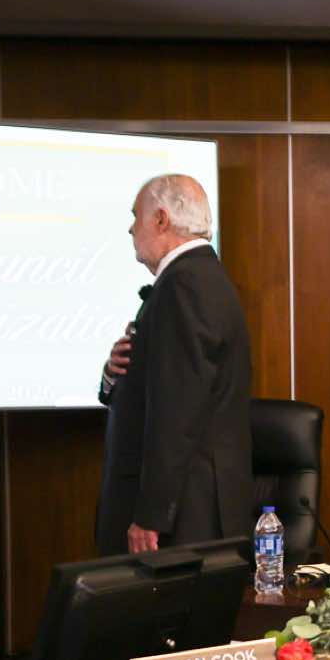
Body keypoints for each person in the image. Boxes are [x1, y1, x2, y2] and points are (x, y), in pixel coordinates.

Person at [96, 175, 252, 556]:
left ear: (161, 219)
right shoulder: (198, 277)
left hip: (182, 521)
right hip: (187, 512)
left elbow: (176, 411)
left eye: (136, 216)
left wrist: (151, 514)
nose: (131, 228)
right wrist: (114, 375)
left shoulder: (184, 285)